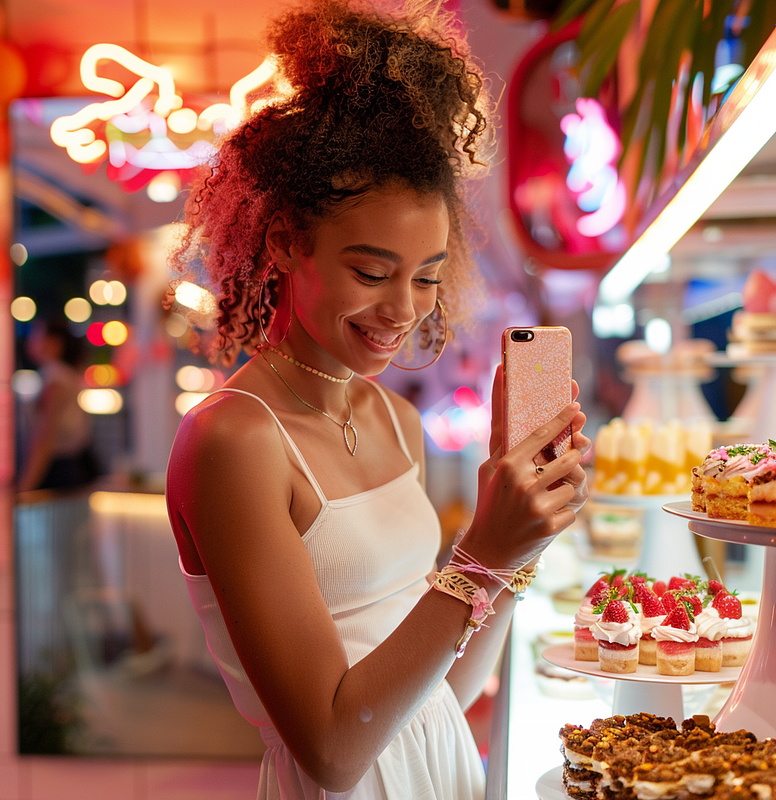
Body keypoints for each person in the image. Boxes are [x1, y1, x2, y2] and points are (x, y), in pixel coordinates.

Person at [165, 1, 590, 797]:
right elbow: (331, 747)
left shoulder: (395, 420)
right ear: (289, 241)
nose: (405, 308)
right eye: (372, 272)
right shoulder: (234, 439)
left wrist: (520, 536)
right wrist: (482, 556)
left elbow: (438, 696)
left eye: (427, 276)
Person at [17, 317, 99, 492]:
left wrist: (26, 485)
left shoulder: (55, 378)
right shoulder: (65, 373)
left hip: (57, 470)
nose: (31, 339)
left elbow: (45, 434)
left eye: (37, 334)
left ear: (54, 343)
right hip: (69, 466)